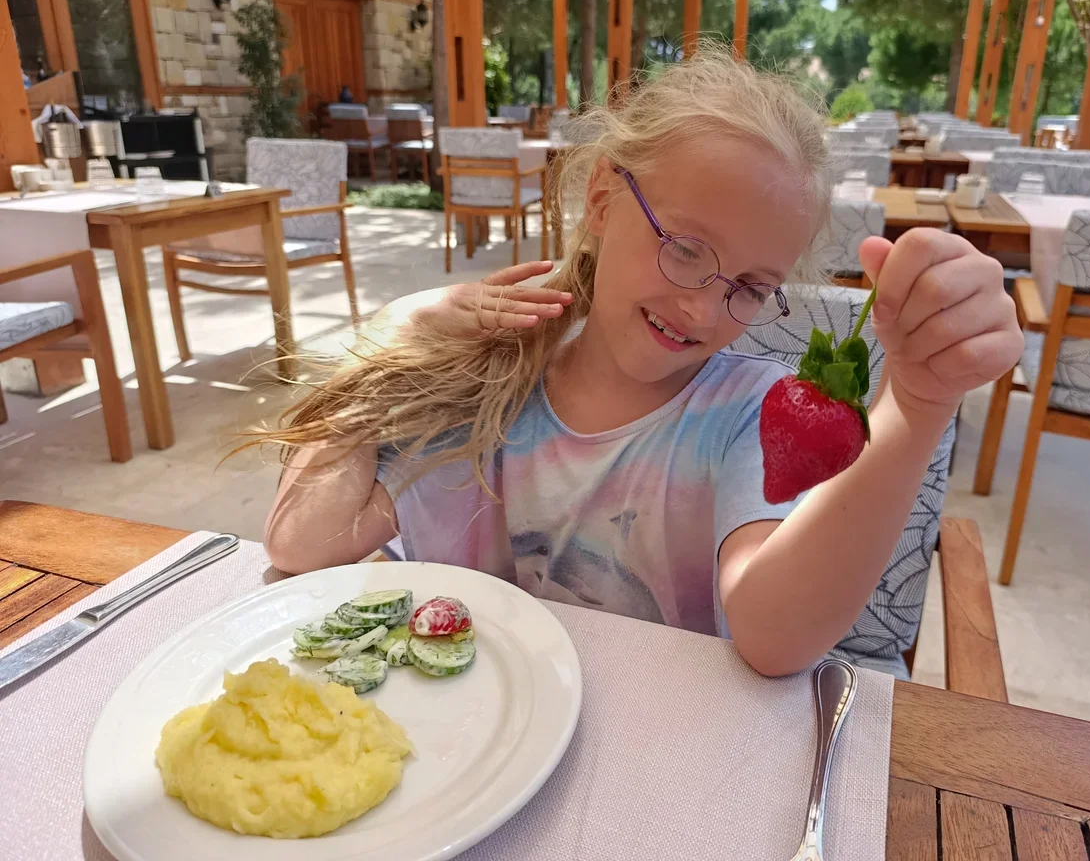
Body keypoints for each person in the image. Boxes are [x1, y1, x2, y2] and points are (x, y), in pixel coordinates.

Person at [262, 51, 1021, 677]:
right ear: (601, 201)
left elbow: (776, 637)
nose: (703, 310)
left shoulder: (749, 414)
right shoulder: (491, 375)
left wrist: (914, 407)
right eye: (686, 249)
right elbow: (300, 541)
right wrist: (389, 334)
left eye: (751, 287)